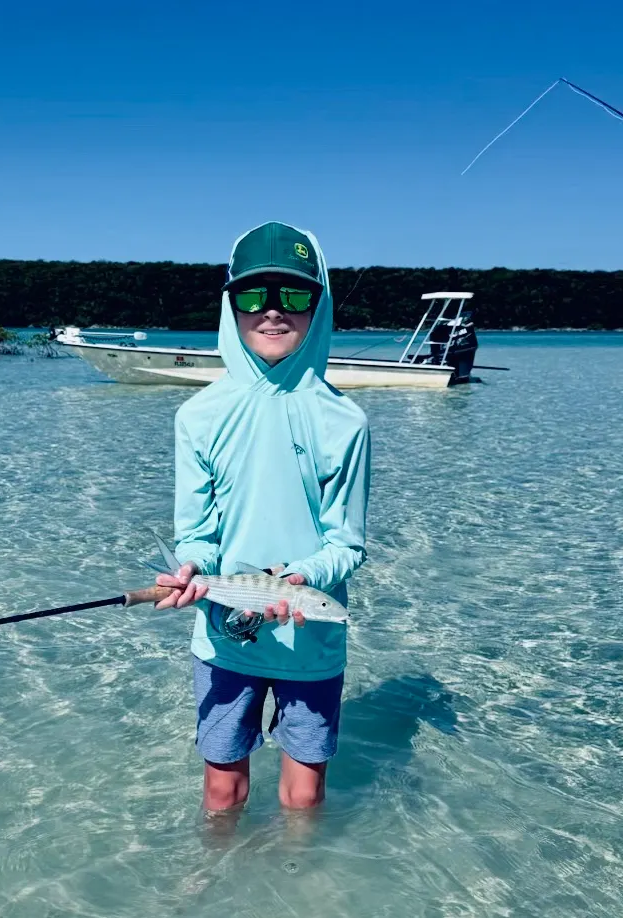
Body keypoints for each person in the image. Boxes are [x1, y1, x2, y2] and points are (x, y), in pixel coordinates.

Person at [155, 221, 371, 815]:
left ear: (318, 304)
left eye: (294, 296)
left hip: (314, 639)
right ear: (231, 304)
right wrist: (194, 567)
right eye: (253, 296)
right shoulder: (197, 416)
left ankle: (300, 891)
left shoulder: (346, 421)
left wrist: (302, 579)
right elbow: (195, 530)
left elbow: (347, 543)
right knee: (223, 791)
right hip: (225, 635)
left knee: (304, 797)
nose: (272, 313)